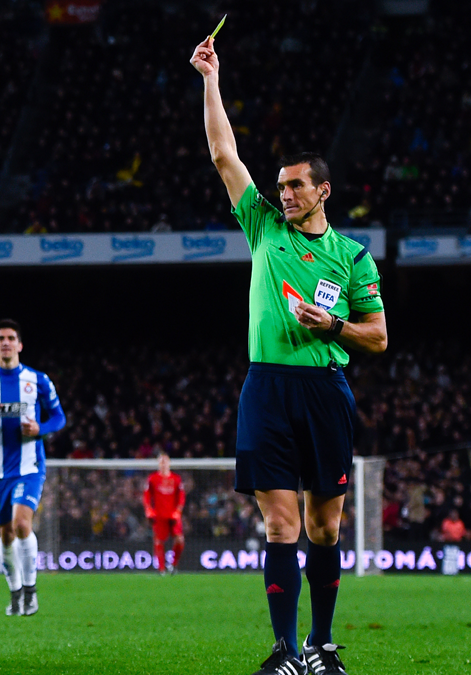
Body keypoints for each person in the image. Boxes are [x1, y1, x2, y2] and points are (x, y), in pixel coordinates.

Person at [192, 33, 388, 675]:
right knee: (280, 526)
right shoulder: (263, 228)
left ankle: (322, 647)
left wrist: (332, 326)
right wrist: (210, 77)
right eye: (280, 186)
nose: (285, 194)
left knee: (324, 529)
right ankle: (282, 651)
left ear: (324, 190)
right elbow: (224, 153)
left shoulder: (353, 256)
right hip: (267, 388)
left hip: (324, 389)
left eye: (297, 186)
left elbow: (378, 337)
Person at [0, 319, 66, 616]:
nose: (6, 343)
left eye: (11, 338)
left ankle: (31, 592)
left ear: (20, 345)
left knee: (21, 525)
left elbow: (59, 418)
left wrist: (40, 428)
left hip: (30, 465)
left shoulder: (38, 380)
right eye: (1, 338)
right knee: (5, 534)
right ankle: (16, 591)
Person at [143, 451, 185, 575]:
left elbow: (181, 497)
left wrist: (178, 511)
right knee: (159, 541)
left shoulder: (176, 479)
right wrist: (149, 509)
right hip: (159, 515)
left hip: (173, 515)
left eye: (165, 461)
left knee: (180, 540)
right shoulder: (152, 478)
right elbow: (146, 495)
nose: (163, 464)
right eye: (161, 461)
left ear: (169, 463)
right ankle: (161, 569)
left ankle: (173, 564)